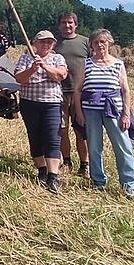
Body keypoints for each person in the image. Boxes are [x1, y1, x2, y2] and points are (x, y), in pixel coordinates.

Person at [74, 28, 134, 200]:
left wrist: (125, 114)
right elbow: (78, 90)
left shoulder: (118, 64)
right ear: (91, 45)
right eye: (96, 42)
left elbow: (125, 91)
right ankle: (98, 181)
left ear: (109, 43)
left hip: (114, 110)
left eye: (103, 41)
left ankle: (129, 185)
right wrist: (79, 113)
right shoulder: (86, 63)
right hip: (91, 111)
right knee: (94, 147)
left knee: (123, 147)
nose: (100, 45)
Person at [13, 30, 68, 193]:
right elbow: (19, 78)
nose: (46, 45)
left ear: (53, 45)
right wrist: (32, 68)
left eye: (49, 42)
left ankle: (53, 177)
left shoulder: (58, 58)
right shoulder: (25, 58)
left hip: (51, 104)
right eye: (43, 42)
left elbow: (60, 75)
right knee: (35, 136)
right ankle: (42, 171)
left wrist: (44, 66)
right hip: (29, 104)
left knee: (52, 137)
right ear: (35, 43)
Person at [55, 12, 89, 176]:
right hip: (58, 93)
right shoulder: (53, 43)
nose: (67, 25)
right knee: (62, 130)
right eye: (63, 22)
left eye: (70, 22)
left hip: (79, 94)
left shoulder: (85, 42)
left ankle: (85, 164)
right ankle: (67, 161)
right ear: (59, 25)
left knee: (80, 131)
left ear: (76, 24)